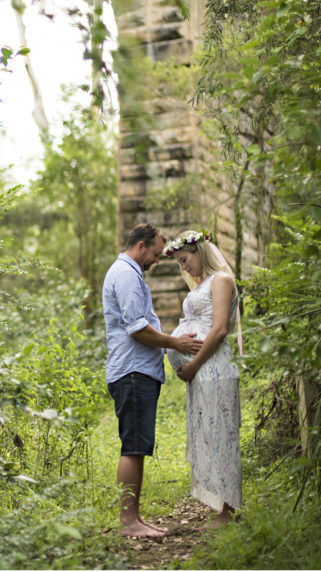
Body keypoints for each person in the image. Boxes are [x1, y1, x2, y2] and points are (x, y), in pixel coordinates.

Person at [102, 223, 204, 538]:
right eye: (156, 254)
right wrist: (176, 343)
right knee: (132, 446)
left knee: (139, 446)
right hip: (132, 372)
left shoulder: (130, 274)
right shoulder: (125, 275)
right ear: (141, 246)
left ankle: (135, 517)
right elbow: (137, 328)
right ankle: (128, 522)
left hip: (139, 372)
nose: (157, 260)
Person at [164, 230, 243, 527]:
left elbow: (219, 329)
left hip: (214, 368)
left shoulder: (221, 280)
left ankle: (228, 512)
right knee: (209, 435)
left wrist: (194, 365)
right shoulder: (203, 284)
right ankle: (220, 504)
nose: (184, 267)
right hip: (202, 373)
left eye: (185, 259)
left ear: (200, 252)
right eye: (180, 263)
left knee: (222, 436)